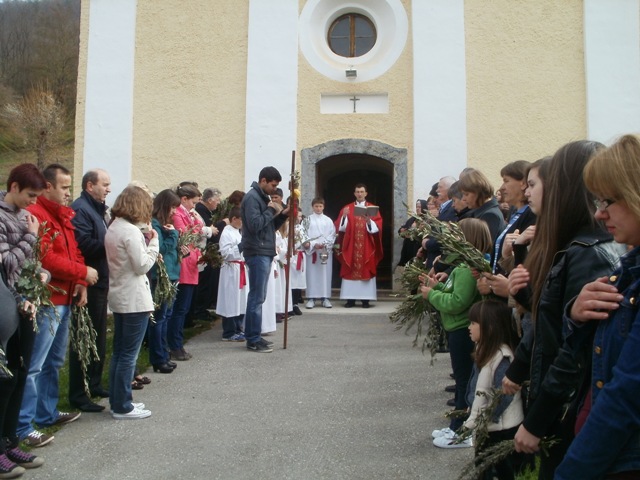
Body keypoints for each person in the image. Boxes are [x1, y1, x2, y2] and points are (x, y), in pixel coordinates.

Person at [502, 141, 624, 479]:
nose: (528, 191)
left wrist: (538, 420)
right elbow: (551, 320)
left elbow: (575, 351)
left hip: (570, 411)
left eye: (536, 184)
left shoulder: (588, 253)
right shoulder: (574, 247)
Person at [555, 134, 640, 479]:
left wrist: (570, 471)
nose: (599, 213)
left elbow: (626, 396)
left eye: (608, 200)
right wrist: (576, 315)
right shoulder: (628, 268)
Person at [18, 163, 98, 447]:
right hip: (48, 299)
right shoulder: (36, 214)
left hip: (65, 296)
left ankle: (47, 411)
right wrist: (81, 273)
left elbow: (73, 250)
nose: (68, 193)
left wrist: (80, 282)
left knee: (54, 361)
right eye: (64, 187)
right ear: (47, 187)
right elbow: (45, 258)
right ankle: (23, 424)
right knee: (35, 364)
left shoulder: (62, 215)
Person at [422, 218, 492, 447]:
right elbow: (452, 291)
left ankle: (461, 431)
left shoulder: (466, 269)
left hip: (462, 330)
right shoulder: (463, 267)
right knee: (463, 380)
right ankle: (455, 426)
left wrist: (431, 295)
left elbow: (457, 302)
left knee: (464, 382)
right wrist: (436, 287)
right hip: (459, 329)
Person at [435, 300, 525, 478]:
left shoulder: (502, 357)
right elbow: (477, 386)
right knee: (483, 467)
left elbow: (503, 396)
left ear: (489, 327)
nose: (469, 327)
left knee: (499, 469)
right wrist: (472, 407)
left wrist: (484, 417)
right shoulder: (484, 349)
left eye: (473, 323)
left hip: (500, 428)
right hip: (488, 426)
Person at [0, 164, 47, 475]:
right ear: (14, 187)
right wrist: (31, 237)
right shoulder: (3, 217)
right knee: (4, 379)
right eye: (30, 195)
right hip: (6, 305)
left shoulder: (25, 216)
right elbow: (5, 264)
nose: (34, 202)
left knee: (20, 372)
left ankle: (10, 441)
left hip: (27, 305)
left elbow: (30, 262)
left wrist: (42, 274)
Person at [105, 185, 159, 419]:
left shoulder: (114, 226)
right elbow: (142, 265)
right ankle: (122, 405)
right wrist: (154, 244)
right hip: (134, 298)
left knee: (120, 352)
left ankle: (119, 400)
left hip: (120, 294)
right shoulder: (129, 231)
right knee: (128, 354)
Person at [68, 168, 112, 413]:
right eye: (104, 184)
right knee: (85, 338)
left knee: (98, 337)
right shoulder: (81, 210)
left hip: (100, 280)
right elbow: (82, 244)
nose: (108, 189)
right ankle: (78, 393)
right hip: (88, 283)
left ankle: (94, 384)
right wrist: (112, 244)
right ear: (89, 186)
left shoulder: (96, 210)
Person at [240, 166, 288, 353]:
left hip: (264, 250)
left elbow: (268, 228)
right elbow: (254, 226)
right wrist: (270, 210)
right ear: (263, 181)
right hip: (257, 251)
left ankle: (255, 335)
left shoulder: (262, 198)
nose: (274, 190)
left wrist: (282, 216)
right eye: (273, 185)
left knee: (259, 296)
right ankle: (252, 339)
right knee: (256, 297)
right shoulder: (253, 198)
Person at [167, 183, 203, 361]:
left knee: (183, 308)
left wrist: (196, 219)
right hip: (183, 266)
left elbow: (196, 231)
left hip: (191, 264)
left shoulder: (187, 214)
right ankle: (174, 344)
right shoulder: (178, 214)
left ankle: (177, 342)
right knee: (179, 309)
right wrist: (196, 225)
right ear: (184, 199)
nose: (194, 207)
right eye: (193, 203)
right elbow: (187, 234)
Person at [335, 183, 383, 308]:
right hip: (351, 247)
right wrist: (344, 216)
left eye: (362, 191)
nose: (359, 194)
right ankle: (350, 299)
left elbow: (377, 228)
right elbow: (340, 229)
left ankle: (365, 300)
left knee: (366, 269)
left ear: (366, 193)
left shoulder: (372, 208)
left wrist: (369, 221)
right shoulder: (347, 208)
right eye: (357, 192)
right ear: (354, 193)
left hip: (367, 246)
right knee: (350, 269)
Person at [149, 189, 181, 373]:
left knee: (166, 316)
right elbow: (160, 248)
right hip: (161, 276)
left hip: (171, 274)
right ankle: (158, 357)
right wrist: (174, 235)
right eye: (173, 207)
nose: (175, 212)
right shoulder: (155, 223)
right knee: (159, 319)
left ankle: (164, 353)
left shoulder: (165, 224)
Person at [190, 187, 222, 322]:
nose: (218, 203)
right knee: (203, 283)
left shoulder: (205, 211)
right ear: (209, 200)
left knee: (206, 282)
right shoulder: (201, 211)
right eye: (217, 200)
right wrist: (212, 228)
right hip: (202, 251)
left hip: (205, 251)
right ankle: (198, 310)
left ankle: (201, 309)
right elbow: (197, 229)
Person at [217, 207, 248, 342]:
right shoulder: (226, 232)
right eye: (241, 220)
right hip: (231, 269)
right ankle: (229, 332)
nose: (243, 223)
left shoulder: (237, 231)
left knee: (240, 300)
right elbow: (225, 252)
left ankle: (238, 328)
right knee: (230, 300)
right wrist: (241, 246)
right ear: (234, 219)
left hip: (240, 268)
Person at [458, 169, 506, 241]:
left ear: (478, 191)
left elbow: (483, 248)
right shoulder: (482, 211)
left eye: (466, 194)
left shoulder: (490, 215)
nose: (463, 199)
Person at [305, 197, 335, 309]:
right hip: (312, 251)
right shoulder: (307, 220)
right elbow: (304, 235)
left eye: (320, 206)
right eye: (316, 206)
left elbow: (332, 235)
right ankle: (311, 298)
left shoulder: (328, 220)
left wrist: (324, 244)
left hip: (324, 251)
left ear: (324, 207)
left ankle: (325, 297)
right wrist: (313, 244)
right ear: (312, 207)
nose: (318, 208)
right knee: (312, 274)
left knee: (325, 274)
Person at [398, 199, 428, 267]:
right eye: (417, 207)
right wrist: (402, 231)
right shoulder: (413, 219)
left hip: (417, 248)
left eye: (420, 207)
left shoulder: (426, 220)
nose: (417, 209)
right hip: (408, 247)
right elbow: (403, 229)